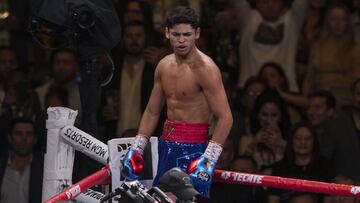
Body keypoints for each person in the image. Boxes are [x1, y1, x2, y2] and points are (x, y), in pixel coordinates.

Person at [121, 6, 233, 197]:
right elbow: (152, 111)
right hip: (166, 145)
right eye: (176, 34)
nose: (181, 40)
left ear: (197, 33)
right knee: (157, 198)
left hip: (194, 149)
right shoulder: (163, 65)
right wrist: (137, 147)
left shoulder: (205, 69)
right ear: (167, 33)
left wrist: (209, 159)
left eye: (187, 34)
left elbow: (225, 118)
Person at [0, 117, 44, 203]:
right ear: (9, 137)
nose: (23, 138)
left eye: (29, 134)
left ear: (35, 139)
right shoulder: (1, 166)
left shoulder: (44, 167)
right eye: (18, 134)